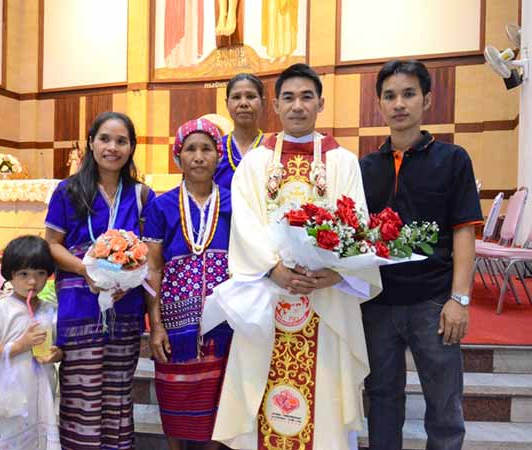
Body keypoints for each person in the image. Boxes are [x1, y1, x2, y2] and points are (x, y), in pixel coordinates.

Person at [212, 63, 382, 450]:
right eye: (288, 98)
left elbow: (356, 221)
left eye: (307, 97)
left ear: (321, 103)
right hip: (269, 297)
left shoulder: (343, 161)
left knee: (325, 401)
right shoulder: (256, 162)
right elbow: (244, 223)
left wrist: (337, 273)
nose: (298, 106)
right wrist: (273, 269)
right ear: (275, 105)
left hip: (325, 300)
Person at [359, 60, 483, 450]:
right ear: (380, 104)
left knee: (444, 404)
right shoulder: (365, 167)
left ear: (427, 100)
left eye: (409, 94)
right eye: (390, 96)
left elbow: (464, 231)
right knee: (381, 400)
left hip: (433, 303)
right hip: (377, 303)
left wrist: (459, 299)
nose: (399, 104)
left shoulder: (453, 159)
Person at [45, 112, 155, 450]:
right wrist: (86, 270)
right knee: (82, 393)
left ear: (131, 147)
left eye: (122, 141)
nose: (112, 147)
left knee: (118, 392)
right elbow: (52, 244)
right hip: (80, 305)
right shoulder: (68, 190)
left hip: (126, 307)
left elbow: (150, 254)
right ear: (91, 142)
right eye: (105, 139)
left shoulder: (142, 195)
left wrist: (126, 279)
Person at [143, 118, 233, 450]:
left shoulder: (234, 201)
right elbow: (153, 267)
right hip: (175, 324)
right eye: (190, 149)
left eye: (206, 149)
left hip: (224, 322)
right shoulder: (161, 206)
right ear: (177, 156)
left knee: (221, 399)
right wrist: (156, 326)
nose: (198, 157)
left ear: (218, 155)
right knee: (175, 396)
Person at [0, 235, 60, 450]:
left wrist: (57, 354)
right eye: (24, 274)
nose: (32, 281)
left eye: (40, 273)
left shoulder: (50, 310)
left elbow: (58, 348)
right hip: (8, 395)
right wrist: (20, 345)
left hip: (41, 392)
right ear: (10, 274)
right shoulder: (0, 310)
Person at [214, 73, 266, 190]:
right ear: (227, 103)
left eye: (251, 96)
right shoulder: (215, 150)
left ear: (262, 102)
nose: (243, 103)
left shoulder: (273, 149)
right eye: (236, 97)